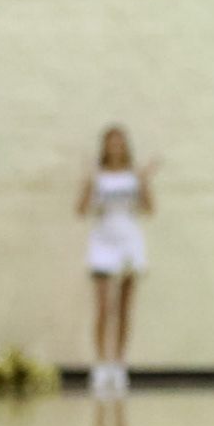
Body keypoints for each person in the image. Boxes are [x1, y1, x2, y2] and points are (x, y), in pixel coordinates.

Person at [77, 126, 158, 396]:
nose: (115, 147)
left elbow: (149, 209)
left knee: (124, 307)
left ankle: (119, 363)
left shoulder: (134, 175)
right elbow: (81, 210)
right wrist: (88, 183)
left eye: (119, 142)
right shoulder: (96, 175)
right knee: (104, 307)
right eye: (110, 142)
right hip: (103, 241)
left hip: (129, 241)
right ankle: (101, 363)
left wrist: (145, 181)